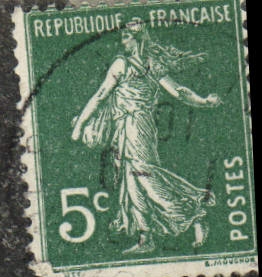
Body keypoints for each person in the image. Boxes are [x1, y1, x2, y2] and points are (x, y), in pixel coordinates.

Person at [70, 18, 222, 255]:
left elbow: (178, 91)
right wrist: (81, 123)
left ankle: (193, 213)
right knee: (131, 182)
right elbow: (100, 95)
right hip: (124, 128)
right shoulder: (125, 64)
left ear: (138, 39)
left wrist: (203, 102)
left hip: (138, 127)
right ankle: (145, 237)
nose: (122, 41)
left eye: (126, 37)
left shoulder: (146, 65)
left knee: (145, 177)